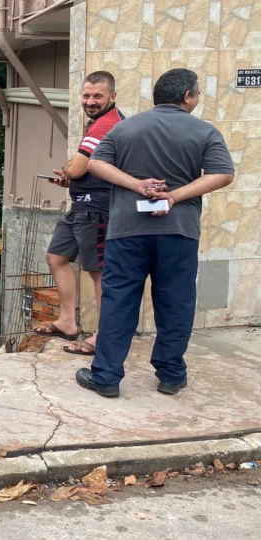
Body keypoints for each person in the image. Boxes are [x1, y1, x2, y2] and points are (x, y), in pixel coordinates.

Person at [76, 68, 234, 398]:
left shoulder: (125, 129)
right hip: (179, 231)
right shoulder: (204, 131)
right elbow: (222, 174)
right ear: (188, 96)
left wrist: (136, 184)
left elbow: (95, 164)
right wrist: (175, 195)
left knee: (119, 299)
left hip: (127, 231)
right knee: (175, 301)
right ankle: (171, 374)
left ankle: (105, 376)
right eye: (198, 93)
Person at [37, 71, 125, 356]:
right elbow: (77, 169)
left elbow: (76, 168)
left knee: (99, 274)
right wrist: (70, 175)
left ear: (112, 96)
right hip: (81, 207)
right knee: (56, 257)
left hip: (98, 209)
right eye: (86, 95)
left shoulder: (107, 125)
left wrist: (69, 173)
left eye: (98, 95)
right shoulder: (96, 123)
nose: (90, 100)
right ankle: (67, 321)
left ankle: (102, 336)